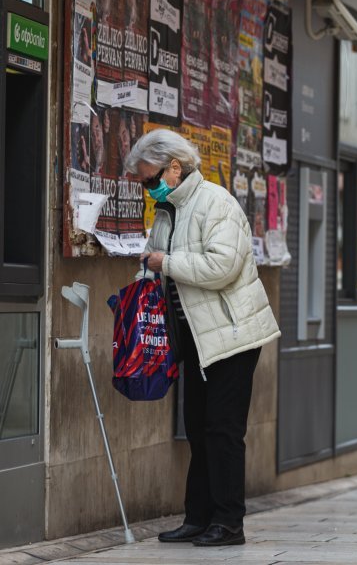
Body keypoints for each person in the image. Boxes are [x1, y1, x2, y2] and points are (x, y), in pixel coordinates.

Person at [124, 129, 280, 547]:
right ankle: (198, 517)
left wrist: (166, 261)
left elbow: (223, 267)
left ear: (174, 167)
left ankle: (229, 522)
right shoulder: (166, 212)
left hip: (230, 335)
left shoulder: (216, 202)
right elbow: (163, 269)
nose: (147, 187)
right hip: (193, 338)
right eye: (141, 181)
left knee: (223, 430)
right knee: (196, 427)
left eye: (150, 178)